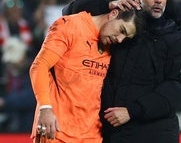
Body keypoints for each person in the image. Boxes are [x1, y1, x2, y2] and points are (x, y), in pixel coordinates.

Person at [64, 0, 181, 143]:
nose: (159, 0)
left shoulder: (177, 38)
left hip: (156, 133)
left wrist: (132, 111)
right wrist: (107, 5)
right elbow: (69, 12)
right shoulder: (121, 26)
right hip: (113, 132)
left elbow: (178, 86)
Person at [29, 7, 147, 143]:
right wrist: (45, 108)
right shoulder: (71, 26)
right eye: (122, 30)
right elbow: (39, 66)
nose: (120, 39)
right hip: (57, 132)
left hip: (92, 135)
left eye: (125, 37)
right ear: (113, 14)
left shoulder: (112, 46)